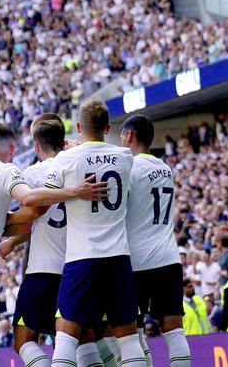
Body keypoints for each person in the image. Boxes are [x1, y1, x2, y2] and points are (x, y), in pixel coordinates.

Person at [0, 122, 102, 367]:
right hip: (72, 263)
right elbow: (32, 206)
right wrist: (75, 191)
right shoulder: (11, 171)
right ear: (13, 149)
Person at [43, 99, 147, 367]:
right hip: (117, 256)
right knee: (127, 337)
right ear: (108, 127)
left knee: (66, 335)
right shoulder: (125, 157)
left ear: (78, 127)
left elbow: (43, 197)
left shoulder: (66, 158)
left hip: (81, 257)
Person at [0, 114, 71, 367]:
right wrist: (12, 243)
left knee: (23, 340)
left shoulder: (32, 173)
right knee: (79, 341)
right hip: (77, 267)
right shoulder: (76, 168)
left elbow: (32, 216)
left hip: (43, 269)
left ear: (37, 147)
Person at [120, 114, 191, 366]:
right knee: (174, 331)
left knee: (132, 333)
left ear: (129, 136)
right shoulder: (165, 168)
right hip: (169, 257)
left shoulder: (130, 167)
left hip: (137, 261)